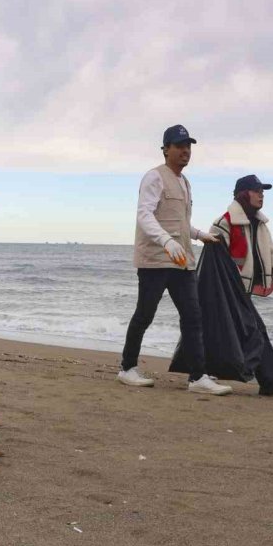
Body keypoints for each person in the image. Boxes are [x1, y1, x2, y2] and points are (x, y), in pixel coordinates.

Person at [117, 125, 231, 395]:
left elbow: (181, 222)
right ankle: (127, 368)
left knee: (193, 316)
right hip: (155, 260)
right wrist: (166, 241)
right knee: (145, 314)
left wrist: (201, 235)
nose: (185, 151)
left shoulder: (185, 182)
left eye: (188, 147)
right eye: (179, 146)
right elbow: (144, 216)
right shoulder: (154, 177)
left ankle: (198, 377)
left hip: (182, 262)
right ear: (166, 149)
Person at [209, 174, 273, 396]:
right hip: (227, 293)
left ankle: (261, 379)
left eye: (263, 192)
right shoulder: (224, 223)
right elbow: (214, 263)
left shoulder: (260, 225)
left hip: (241, 293)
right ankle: (264, 380)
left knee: (244, 333)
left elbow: (272, 253)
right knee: (253, 332)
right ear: (243, 194)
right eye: (257, 191)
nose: (261, 195)